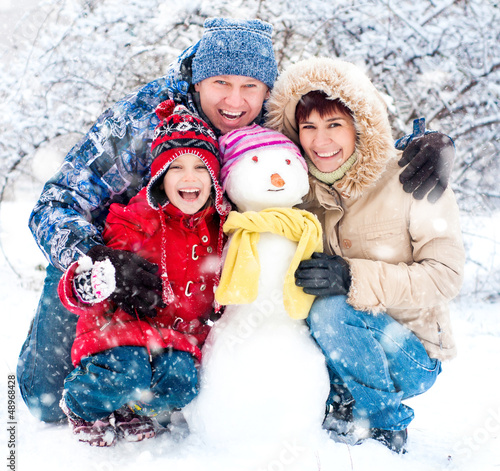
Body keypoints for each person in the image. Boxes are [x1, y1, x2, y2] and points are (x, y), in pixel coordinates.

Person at [17, 16, 454, 423]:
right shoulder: (145, 118)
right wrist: (96, 258)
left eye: (250, 85)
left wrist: (421, 145)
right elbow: (58, 200)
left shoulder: (269, 119)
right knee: (45, 402)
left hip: (200, 279)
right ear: (197, 79)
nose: (234, 100)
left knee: (189, 375)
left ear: (267, 90)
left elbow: (342, 140)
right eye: (220, 83)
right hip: (122, 260)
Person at [264, 57, 465, 453]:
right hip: (339, 356)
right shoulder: (293, 189)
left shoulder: (412, 177)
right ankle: (336, 403)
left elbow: (445, 276)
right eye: (309, 127)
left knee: (331, 309)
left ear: (361, 125)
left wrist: (353, 277)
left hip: (411, 352)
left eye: (335, 125)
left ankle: (384, 426)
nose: (321, 142)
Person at [57, 101, 231, 446]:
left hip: (174, 338)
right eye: (176, 167)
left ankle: (133, 408)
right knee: (128, 367)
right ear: (160, 176)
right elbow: (87, 278)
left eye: (201, 167)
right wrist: (91, 282)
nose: (189, 177)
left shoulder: (221, 227)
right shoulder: (135, 219)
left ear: (214, 178)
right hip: (119, 332)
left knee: (182, 382)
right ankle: (80, 404)